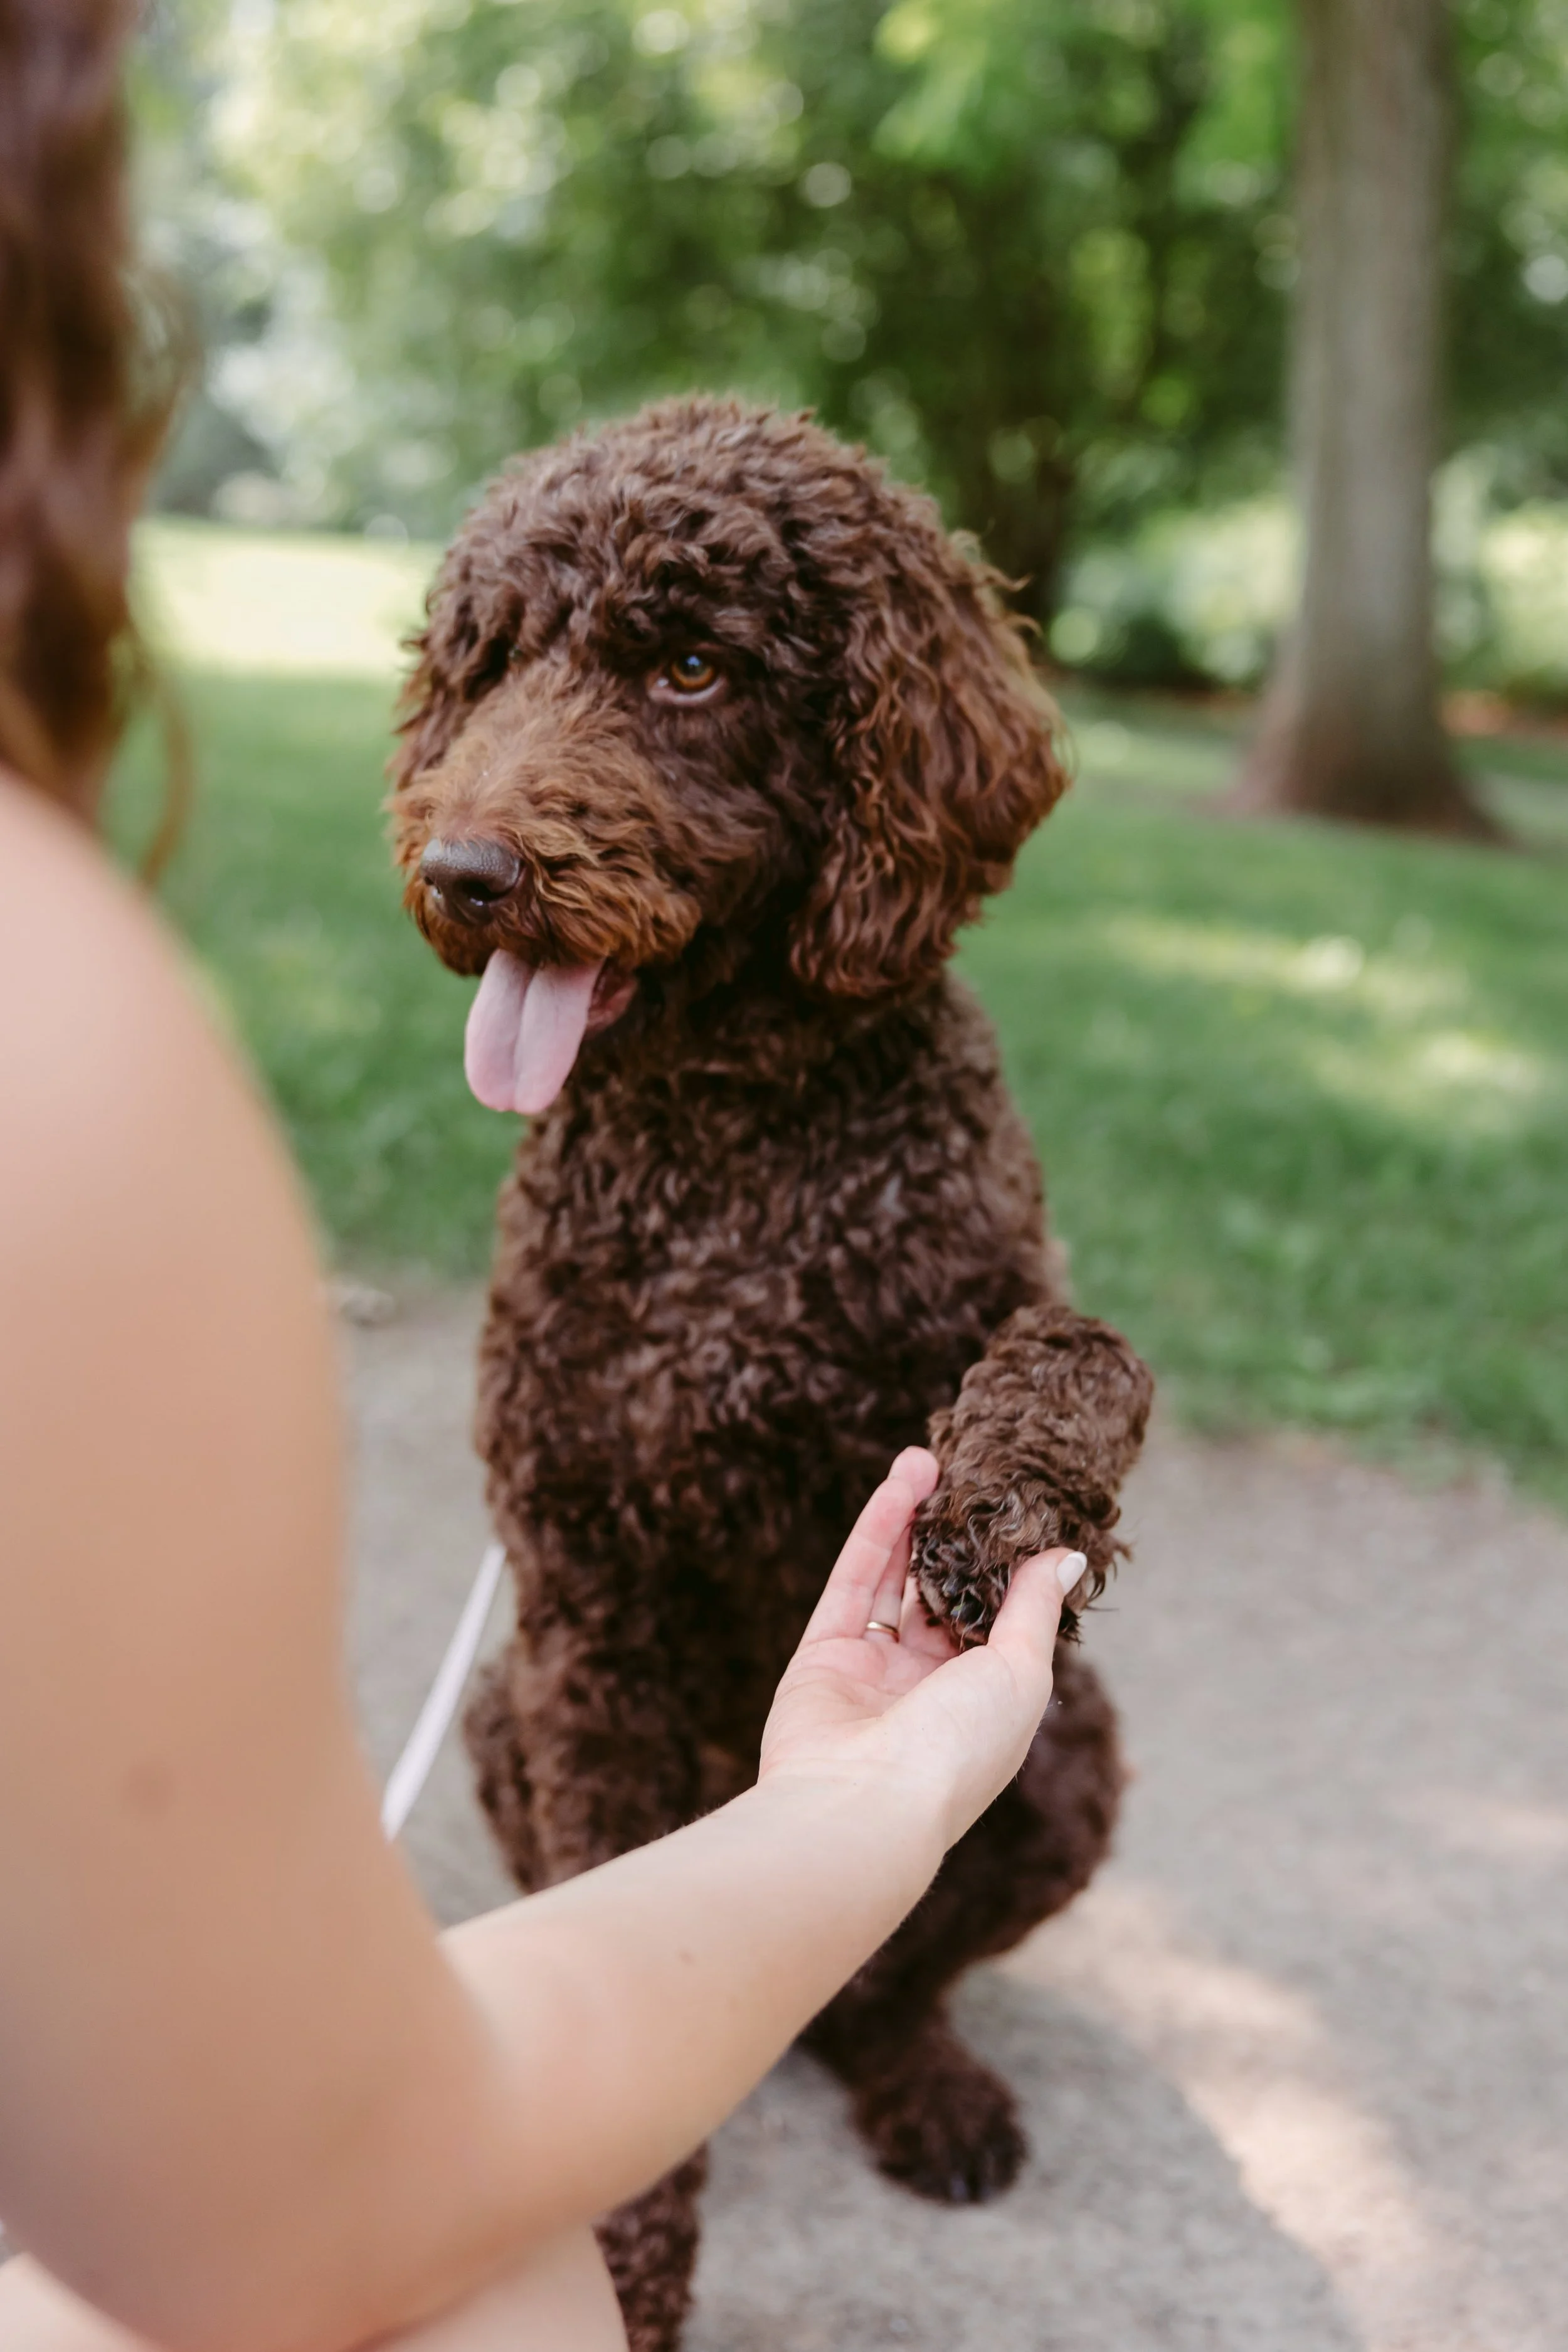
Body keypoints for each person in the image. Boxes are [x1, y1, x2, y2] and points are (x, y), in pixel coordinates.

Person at [0, 6, 1080, 2347]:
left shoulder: (926, 1149)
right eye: (487, 673)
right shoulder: (448, 1132)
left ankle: (882, 2017)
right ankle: (644, 2148)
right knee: (553, 1717)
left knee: (1059, 1792)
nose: (488, 808)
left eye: (673, 676)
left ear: (853, 752)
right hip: (636, 1761)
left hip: (889, 1753)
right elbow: (576, 1649)